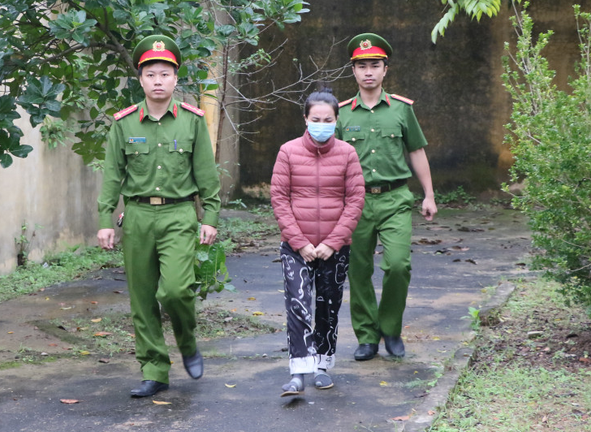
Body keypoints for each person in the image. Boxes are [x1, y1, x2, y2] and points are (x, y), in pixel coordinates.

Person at [96, 35, 221, 397]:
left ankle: (187, 342)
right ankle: (154, 370)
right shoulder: (124, 124)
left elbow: (206, 175)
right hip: (137, 216)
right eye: (150, 74)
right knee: (142, 298)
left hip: (179, 214)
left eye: (165, 74)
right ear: (140, 80)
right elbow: (112, 175)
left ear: (175, 79)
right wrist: (105, 220)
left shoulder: (192, 121)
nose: (158, 81)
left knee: (177, 290)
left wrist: (210, 217)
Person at [335, 33, 437, 361]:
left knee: (397, 265)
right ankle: (367, 337)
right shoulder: (341, 114)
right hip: (355, 203)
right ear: (353, 70)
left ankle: (390, 328)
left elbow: (416, 151)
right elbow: (331, 161)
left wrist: (429, 195)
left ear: (385, 69)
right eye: (362, 66)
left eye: (375, 65)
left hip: (395, 200)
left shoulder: (402, 110)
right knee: (358, 270)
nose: (368, 72)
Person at [271, 88, 365, 397]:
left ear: (336, 120)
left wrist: (333, 242)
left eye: (327, 120)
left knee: (328, 306)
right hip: (296, 247)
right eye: (315, 119)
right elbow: (279, 199)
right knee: (298, 304)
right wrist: (299, 242)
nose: (321, 125)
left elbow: (355, 201)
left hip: (333, 249)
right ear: (305, 119)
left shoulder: (347, 154)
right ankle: (298, 372)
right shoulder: (288, 151)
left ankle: (322, 367)